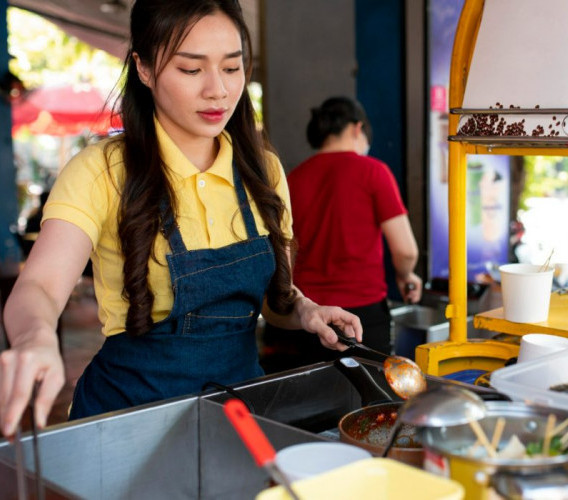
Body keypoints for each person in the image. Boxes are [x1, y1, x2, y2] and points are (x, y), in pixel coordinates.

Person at [0, 0, 362, 438]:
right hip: (128, 418)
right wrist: (34, 338)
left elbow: (274, 300)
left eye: (232, 68)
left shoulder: (262, 170)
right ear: (145, 68)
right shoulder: (102, 171)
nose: (218, 90)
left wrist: (305, 311)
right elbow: (38, 286)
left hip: (236, 412)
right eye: (191, 70)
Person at [261, 97, 421, 371]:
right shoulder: (374, 172)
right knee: (369, 406)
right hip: (362, 318)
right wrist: (406, 275)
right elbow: (406, 250)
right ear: (357, 129)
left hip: (305, 318)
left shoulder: (292, 179)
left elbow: (281, 253)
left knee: (310, 405)